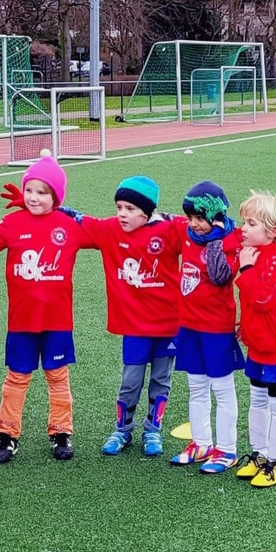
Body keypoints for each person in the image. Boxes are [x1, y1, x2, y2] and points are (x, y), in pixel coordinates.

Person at [77, 176, 184, 456]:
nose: (122, 214)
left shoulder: (170, 230)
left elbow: (203, 231)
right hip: (135, 326)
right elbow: (75, 221)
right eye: (119, 207)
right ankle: (122, 430)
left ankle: (152, 430)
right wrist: (40, 207)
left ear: (146, 212)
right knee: (130, 382)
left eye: (129, 209)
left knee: (162, 380)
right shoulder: (110, 229)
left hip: (169, 324)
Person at [0, 154, 87, 463]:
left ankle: (61, 431)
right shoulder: (12, 223)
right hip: (21, 321)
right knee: (16, 377)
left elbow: (105, 231)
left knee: (58, 376)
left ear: (56, 197)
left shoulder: (68, 225)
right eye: (30, 190)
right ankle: (6, 434)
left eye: (43, 192)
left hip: (57, 321)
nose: (34, 197)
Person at [168, 181, 244, 474]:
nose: (193, 224)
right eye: (190, 218)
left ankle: (226, 449)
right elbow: (157, 218)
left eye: (199, 219)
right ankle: (201, 442)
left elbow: (220, 276)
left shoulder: (230, 241)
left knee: (222, 389)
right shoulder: (186, 233)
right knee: (195, 386)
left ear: (215, 218)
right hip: (188, 326)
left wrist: (214, 238)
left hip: (216, 328)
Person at [232, 191, 276, 487]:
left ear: (272, 232)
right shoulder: (255, 250)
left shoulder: (274, 260)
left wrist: (245, 268)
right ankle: (260, 453)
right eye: (244, 221)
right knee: (257, 399)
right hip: (257, 342)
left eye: (251, 223)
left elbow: (260, 298)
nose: (243, 228)